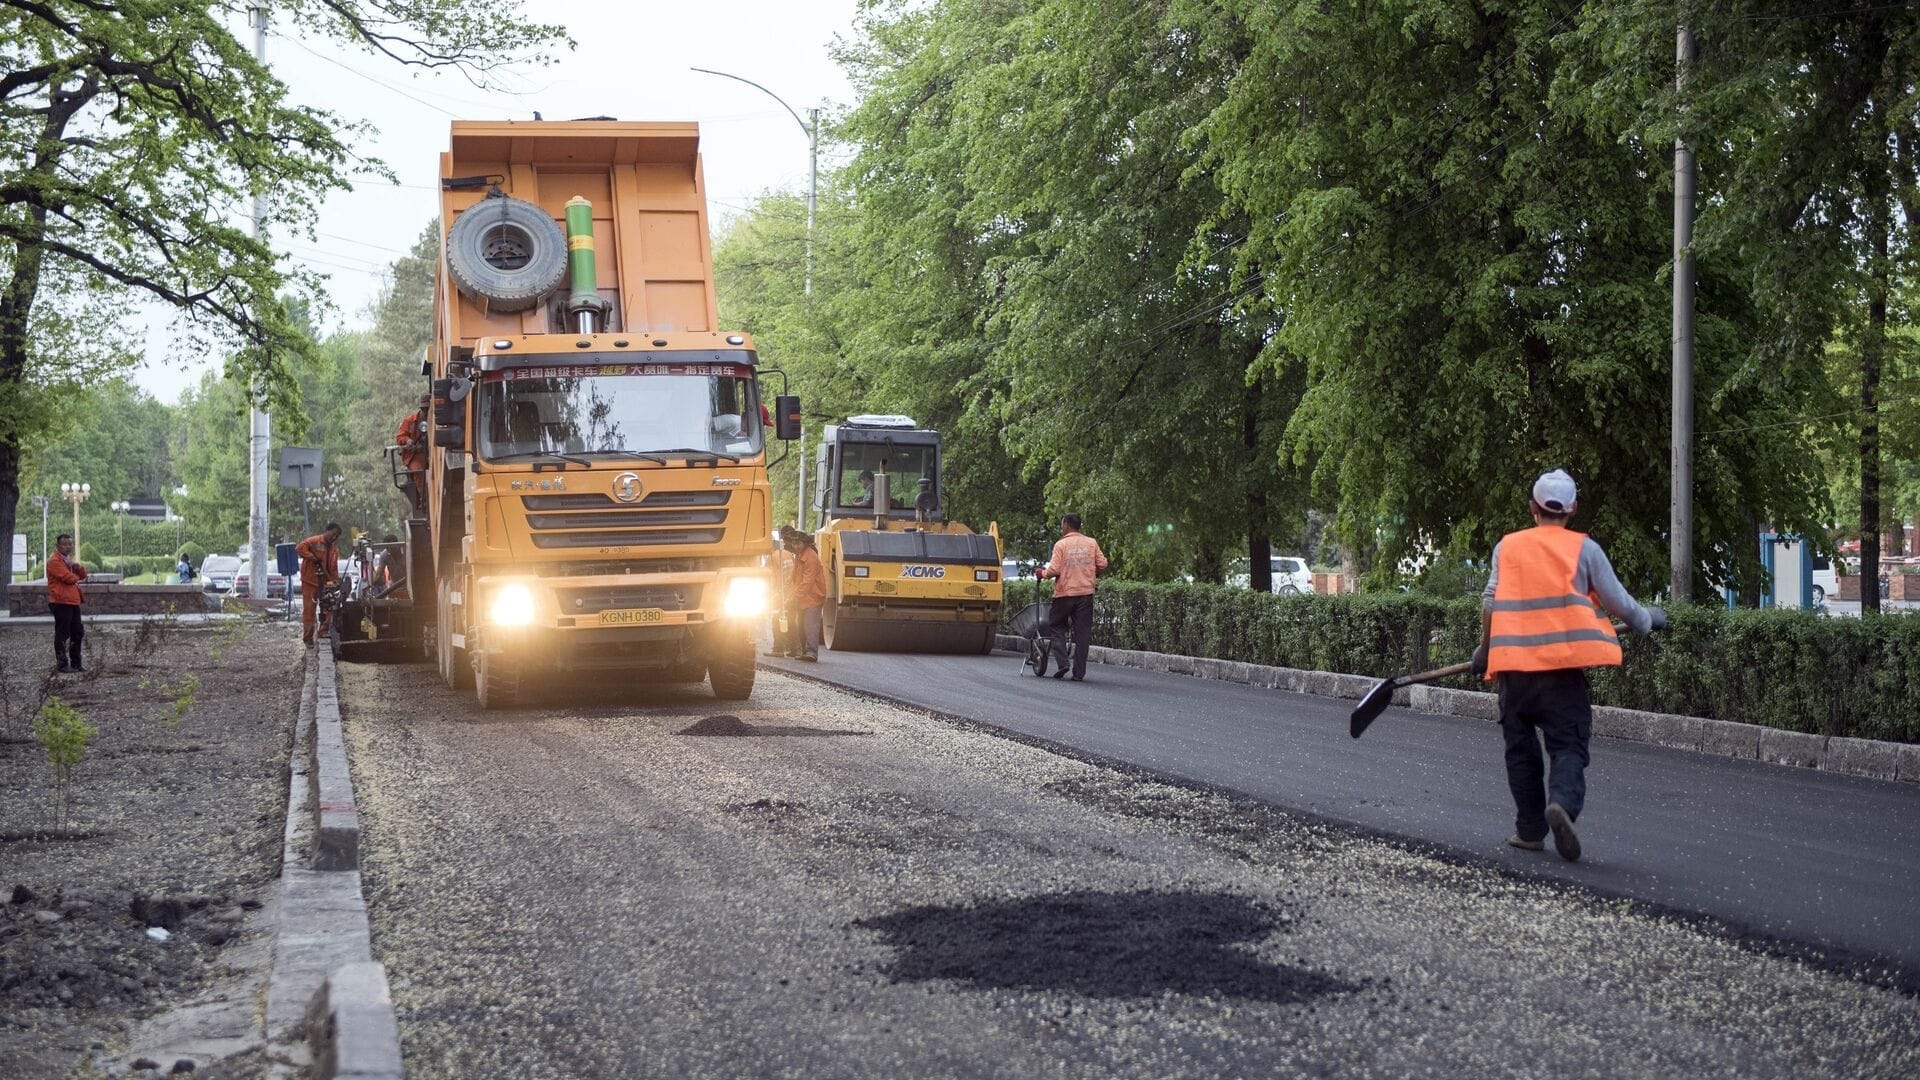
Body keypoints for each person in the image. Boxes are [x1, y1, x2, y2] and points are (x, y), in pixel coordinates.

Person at [1472, 469, 1665, 863]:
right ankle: (1560, 803)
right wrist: (1647, 620)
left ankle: (1530, 832)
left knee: (1520, 751)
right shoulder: (1584, 550)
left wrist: (1484, 649)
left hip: (1514, 673)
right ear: (1572, 509)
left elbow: (1490, 601)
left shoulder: (1507, 547)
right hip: (1561, 673)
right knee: (1568, 746)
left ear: (1533, 507)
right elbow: (1619, 603)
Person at [1040, 513, 1108, 681]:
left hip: (1064, 594)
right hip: (1085, 594)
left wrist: (1042, 573)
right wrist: (1092, 573)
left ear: (1067, 525)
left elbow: (1054, 569)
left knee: (1056, 625)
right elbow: (1102, 564)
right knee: (1082, 634)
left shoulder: (1061, 545)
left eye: (1062, 524)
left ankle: (1063, 663)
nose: (1061, 527)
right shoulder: (1091, 543)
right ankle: (1079, 673)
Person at [296, 523, 344, 647]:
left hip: (326, 584)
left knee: (328, 607)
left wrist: (334, 582)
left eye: (337, 536)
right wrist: (312, 557)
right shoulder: (313, 541)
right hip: (310, 582)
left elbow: (333, 568)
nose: (334, 537)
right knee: (309, 610)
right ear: (327, 530)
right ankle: (308, 638)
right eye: (333, 534)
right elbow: (299, 548)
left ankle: (323, 631)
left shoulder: (334, 550)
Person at [46, 533, 88, 673]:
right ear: (58, 546)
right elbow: (69, 578)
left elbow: (83, 575)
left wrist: (75, 566)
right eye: (64, 544)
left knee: (77, 632)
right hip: (60, 601)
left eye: (70, 544)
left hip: (72, 601)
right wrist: (73, 570)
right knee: (62, 633)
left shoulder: (68, 561)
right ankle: (62, 665)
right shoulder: (54, 562)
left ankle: (76, 663)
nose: (68, 547)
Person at [785, 528, 827, 661]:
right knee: (801, 625)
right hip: (804, 597)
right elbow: (795, 578)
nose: (795, 546)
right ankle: (805, 652)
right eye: (794, 543)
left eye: (798, 543)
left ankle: (811, 653)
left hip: (813, 596)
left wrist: (794, 597)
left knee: (810, 626)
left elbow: (807, 582)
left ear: (805, 543)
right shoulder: (799, 556)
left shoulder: (810, 558)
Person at [766, 527, 798, 657]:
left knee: (776, 620)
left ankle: (778, 649)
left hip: (780, 594)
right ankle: (795, 649)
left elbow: (770, 579)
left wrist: (770, 595)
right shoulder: (787, 553)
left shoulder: (771, 558)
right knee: (790, 620)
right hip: (791, 591)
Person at [396, 393, 430, 515]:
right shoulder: (409, 421)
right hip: (416, 455)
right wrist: (408, 440)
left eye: (428, 409)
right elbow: (400, 437)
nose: (426, 412)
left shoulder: (437, 420)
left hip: (432, 454)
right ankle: (424, 498)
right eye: (424, 409)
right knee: (418, 470)